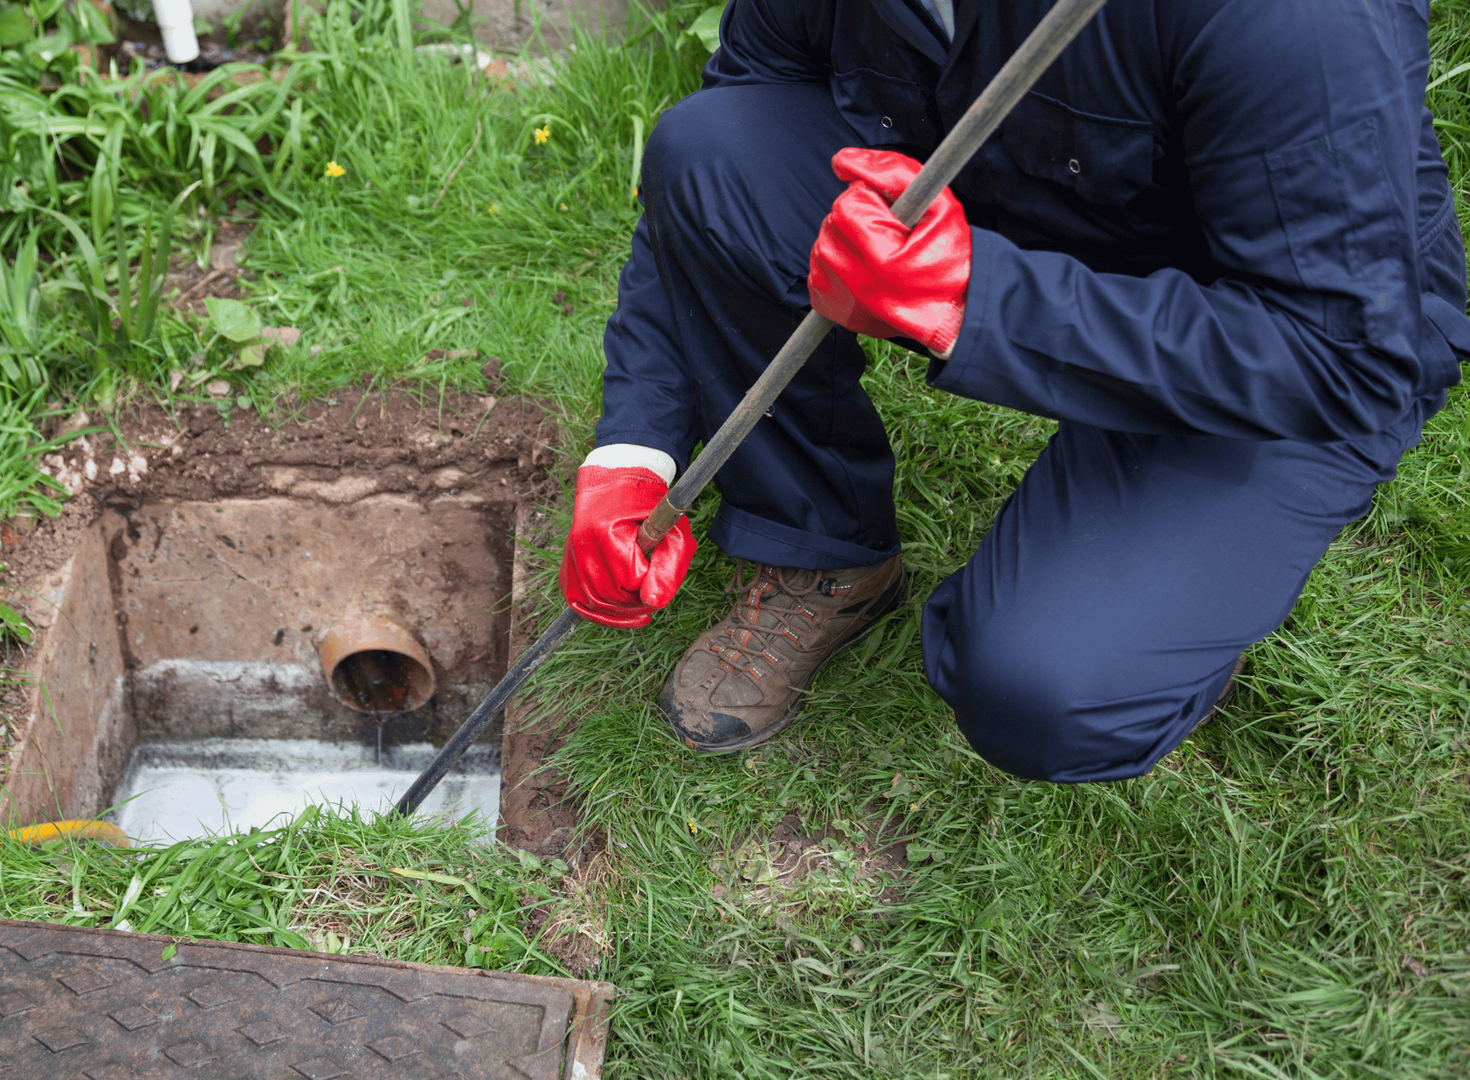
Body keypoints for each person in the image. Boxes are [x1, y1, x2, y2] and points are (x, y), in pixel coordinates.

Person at [560, 0, 1468, 782]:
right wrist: (634, 448)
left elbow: (1344, 357)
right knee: (713, 151)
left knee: (1049, 688)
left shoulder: (1292, 19)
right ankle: (819, 548)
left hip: (1275, 324)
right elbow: (728, 146)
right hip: (1029, 205)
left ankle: (1167, 613)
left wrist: (976, 299)